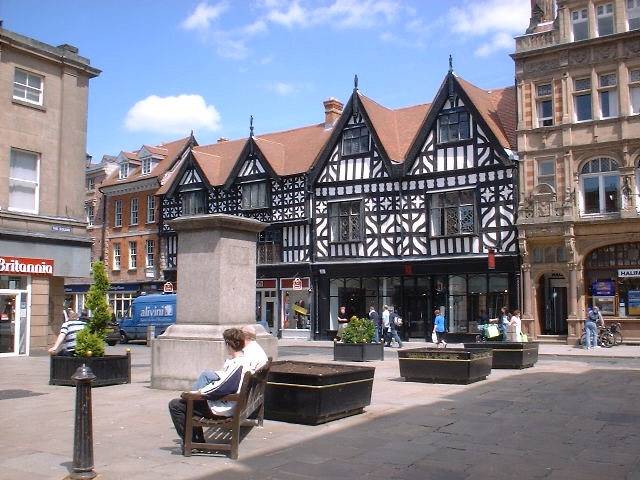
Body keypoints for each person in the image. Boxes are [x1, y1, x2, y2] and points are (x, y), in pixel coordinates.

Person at [169, 328, 247, 445]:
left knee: (176, 405)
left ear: (228, 345)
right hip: (230, 404)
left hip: (222, 409)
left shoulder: (238, 364)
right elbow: (226, 380)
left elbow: (222, 388)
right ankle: (197, 440)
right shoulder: (242, 361)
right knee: (187, 403)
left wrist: (199, 393)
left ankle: (191, 442)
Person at [192, 324, 267, 390]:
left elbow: (235, 375)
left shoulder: (248, 353)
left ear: (244, 337)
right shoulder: (255, 348)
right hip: (247, 387)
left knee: (206, 376)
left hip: (237, 390)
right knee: (207, 375)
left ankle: (188, 401)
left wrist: (201, 392)